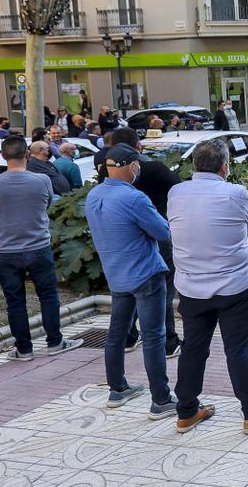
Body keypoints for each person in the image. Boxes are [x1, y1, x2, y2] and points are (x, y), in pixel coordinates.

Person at [167, 140, 248, 435]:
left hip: (191, 287)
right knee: (238, 349)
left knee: (193, 349)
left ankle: (186, 411)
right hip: (234, 286)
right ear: (225, 166)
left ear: (195, 165)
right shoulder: (234, 193)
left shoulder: (176, 192)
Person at [84, 144, 176, 418]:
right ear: (131, 166)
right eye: (137, 164)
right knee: (153, 337)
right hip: (145, 273)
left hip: (116, 274)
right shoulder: (134, 198)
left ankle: (118, 388)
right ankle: (160, 399)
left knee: (117, 333)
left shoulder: (94, 194)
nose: (139, 168)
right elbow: (162, 231)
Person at [0, 136, 81, 361]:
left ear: (3, 156)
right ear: (27, 154)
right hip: (38, 246)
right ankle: (55, 341)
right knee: (48, 295)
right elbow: (47, 204)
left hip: (5, 250)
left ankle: (24, 349)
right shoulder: (42, 180)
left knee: (15, 301)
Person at [105, 127, 184, 357]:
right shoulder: (154, 168)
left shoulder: (108, 171)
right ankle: (169, 341)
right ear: (137, 146)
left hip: (124, 240)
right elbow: (178, 188)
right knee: (163, 289)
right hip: (157, 234)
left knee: (128, 290)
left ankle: (129, 337)